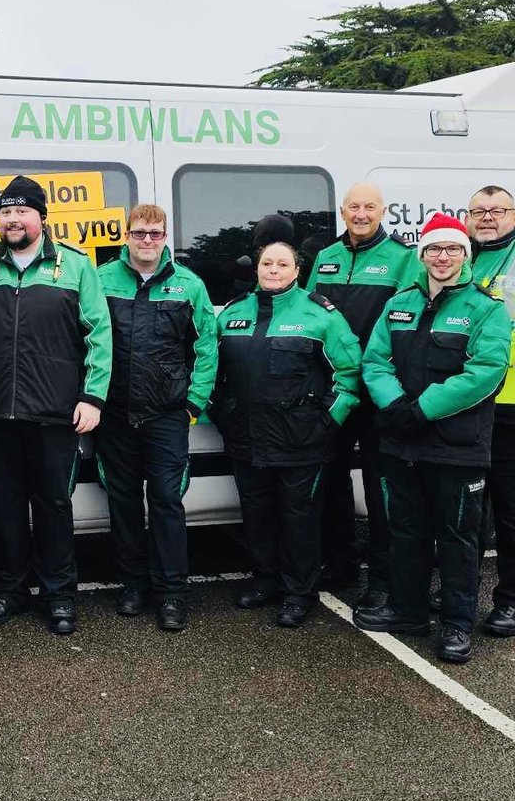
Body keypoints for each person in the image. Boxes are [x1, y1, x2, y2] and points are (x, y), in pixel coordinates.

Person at [0, 175, 112, 636]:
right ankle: (9, 590)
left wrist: (93, 395)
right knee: (4, 505)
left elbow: (99, 335)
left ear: (42, 218)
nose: (13, 219)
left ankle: (60, 594)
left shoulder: (76, 266)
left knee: (53, 505)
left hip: (54, 411)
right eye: (6, 211)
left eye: (22, 211)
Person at [354, 213, 509, 663]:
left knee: (458, 539)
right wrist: (397, 406)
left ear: (465, 255)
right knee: (406, 531)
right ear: (422, 255)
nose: (443, 257)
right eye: (434, 249)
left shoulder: (486, 309)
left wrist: (423, 408)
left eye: (452, 249)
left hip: (457, 446)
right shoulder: (398, 304)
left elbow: (486, 372)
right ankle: (409, 612)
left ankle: (457, 625)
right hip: (403, 441)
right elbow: (374, 361)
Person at [209, 241, 361, 627]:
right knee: (256, 515)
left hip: (301, 442)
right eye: (267, 263)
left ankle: (299, 592)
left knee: (299, 520)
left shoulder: (320, 315)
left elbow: (350, 374)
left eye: (282, 264)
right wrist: (221, 412)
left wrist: (327, 421)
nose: (273, 270)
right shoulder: (233, 313)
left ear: (297, 271)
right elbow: (212, 369)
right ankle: (265, 581)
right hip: (247, 437)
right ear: (257, 268)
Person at [96, 204, 218, 631]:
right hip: (113, 414)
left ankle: (172, 593)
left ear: (166, 236)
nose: (147, 240)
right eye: (139, 233)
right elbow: (86, 339)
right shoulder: (100, 280)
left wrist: (194, 401)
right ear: (125, 236)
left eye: (155, 233)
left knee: (166, 501)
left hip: (167, 415)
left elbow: (206, 347)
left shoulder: (189, 285)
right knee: (123, 501)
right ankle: (133, 584)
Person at [306, 183, 418, 607]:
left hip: (376, 392)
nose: (361, 213)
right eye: (354, 206)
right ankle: (340, 561)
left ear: (383, 210)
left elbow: (404, 326)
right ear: (342, 210)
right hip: (335, 389)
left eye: (370, 206)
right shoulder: (326, 257)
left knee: (379, 486)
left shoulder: (403, 258)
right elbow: (311, 313)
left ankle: (384, 578)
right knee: (330, 478)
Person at [466, 185, 515, 637]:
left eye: (497, 210)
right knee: (469, 509)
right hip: (468, 404)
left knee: (510, 510)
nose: (487, 218)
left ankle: (511, 601)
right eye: (478, 211)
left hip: (512, 405)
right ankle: (463, 588)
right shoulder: (461, 258)